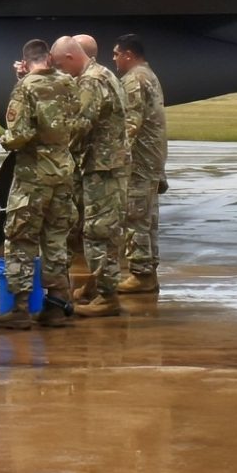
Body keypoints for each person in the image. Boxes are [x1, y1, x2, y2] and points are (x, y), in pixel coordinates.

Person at [0, 37, 82, 330]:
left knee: (21, 239)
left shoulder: (25, 89)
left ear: (26, 61)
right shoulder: (69, 83)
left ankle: (19, 309)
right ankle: (57, 303)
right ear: (48, 58)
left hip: (33, 177)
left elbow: (18, 135)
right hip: (62, 172)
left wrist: (4, 140)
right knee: (56, 238)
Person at [65, 33, 130, 317]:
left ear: (71, 57)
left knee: (98, 231)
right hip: (104, 165)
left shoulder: (91, 81)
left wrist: (54, 142)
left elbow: (81, 122)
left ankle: (108, 297)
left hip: (101, 167)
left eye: (60, 64)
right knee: (97, 227)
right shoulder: (101, 73)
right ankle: (95, 286)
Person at [114, 34, 169, 295]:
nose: (114, 59)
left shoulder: (134, 80)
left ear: (128, 54)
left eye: (116, 54)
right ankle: (148, 271)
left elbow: (130, 125)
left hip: (138, 162)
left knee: (135, 218)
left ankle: (141, 274)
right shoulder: (149, 75)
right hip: (151, 160)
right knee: (148, 219)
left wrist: (114, 156)